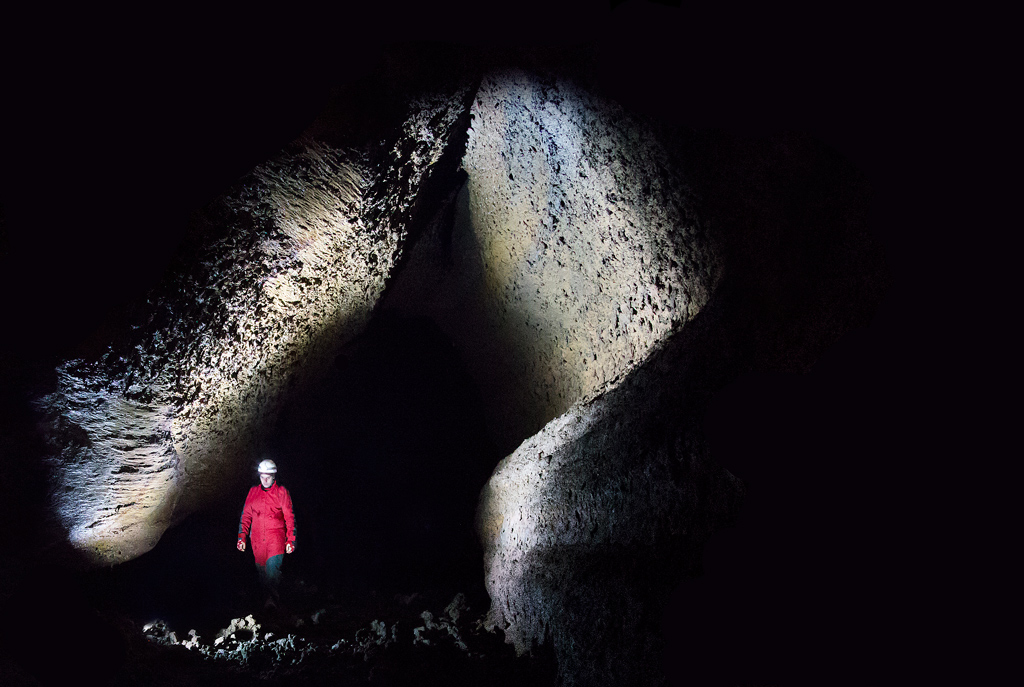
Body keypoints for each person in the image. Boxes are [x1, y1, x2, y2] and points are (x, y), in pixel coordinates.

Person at [236, 459, 296, 608]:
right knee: (262, 574)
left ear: (274, 475)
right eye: (262, 476)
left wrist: (291, 540)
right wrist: (241, 537)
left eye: (268, 476)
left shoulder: (282, 492)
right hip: (257, 542)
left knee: (272, 570)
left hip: (275, 540)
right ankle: (267, 603)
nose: (265, 479)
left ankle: (272, 602)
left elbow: (290, 517)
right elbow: (246, 516)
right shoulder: (253, 492)